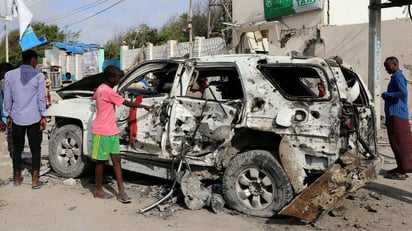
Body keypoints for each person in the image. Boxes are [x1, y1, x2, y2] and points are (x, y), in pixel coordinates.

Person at [91, 65, 153, 203]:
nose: (119, 81)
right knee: (101, 161)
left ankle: (121, 191)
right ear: (110, 78)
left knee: (116, 160)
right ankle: (98, 190)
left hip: (112, 130)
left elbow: (94, 95)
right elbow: (126, 103)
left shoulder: (101, 88)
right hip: (102, 131)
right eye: (118, 78)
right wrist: (144, 106)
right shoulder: (108, 91)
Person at [3, 50, 47, 188]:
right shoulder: (39, 76)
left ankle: (17, 178)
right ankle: (35, 180)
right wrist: (43, 116)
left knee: (17, 148)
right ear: (33, 60)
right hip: (34, 117)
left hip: (16, 117)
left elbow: (7, 98)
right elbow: (41, 98)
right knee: (35, 148)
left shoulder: (9, 75)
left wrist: (8, 114)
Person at [382, 56, 412, 180]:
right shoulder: (396, 77)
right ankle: (401, 167)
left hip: (398, 115)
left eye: (388, 67)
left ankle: (402, 170)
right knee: (396, 143)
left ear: (395, 64)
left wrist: (386, 95)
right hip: (395, 115)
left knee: (400, 144)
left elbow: (403, 92)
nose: (386, 70)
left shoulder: (398, 77)